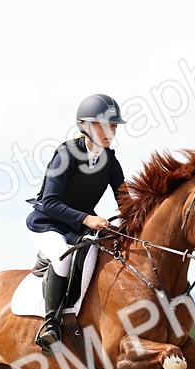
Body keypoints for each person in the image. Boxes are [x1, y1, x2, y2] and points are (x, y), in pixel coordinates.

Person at [26, 93, 127, 351]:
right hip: (47, 224)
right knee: (63, 257)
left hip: (79, 227)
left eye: (113, 126)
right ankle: (50, 325)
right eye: (103, 125)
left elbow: (126, 202)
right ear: (85, 126)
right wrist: (87, 218)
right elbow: (49, 202)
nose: (110, 131)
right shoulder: (66, 154)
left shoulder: (110, 161)